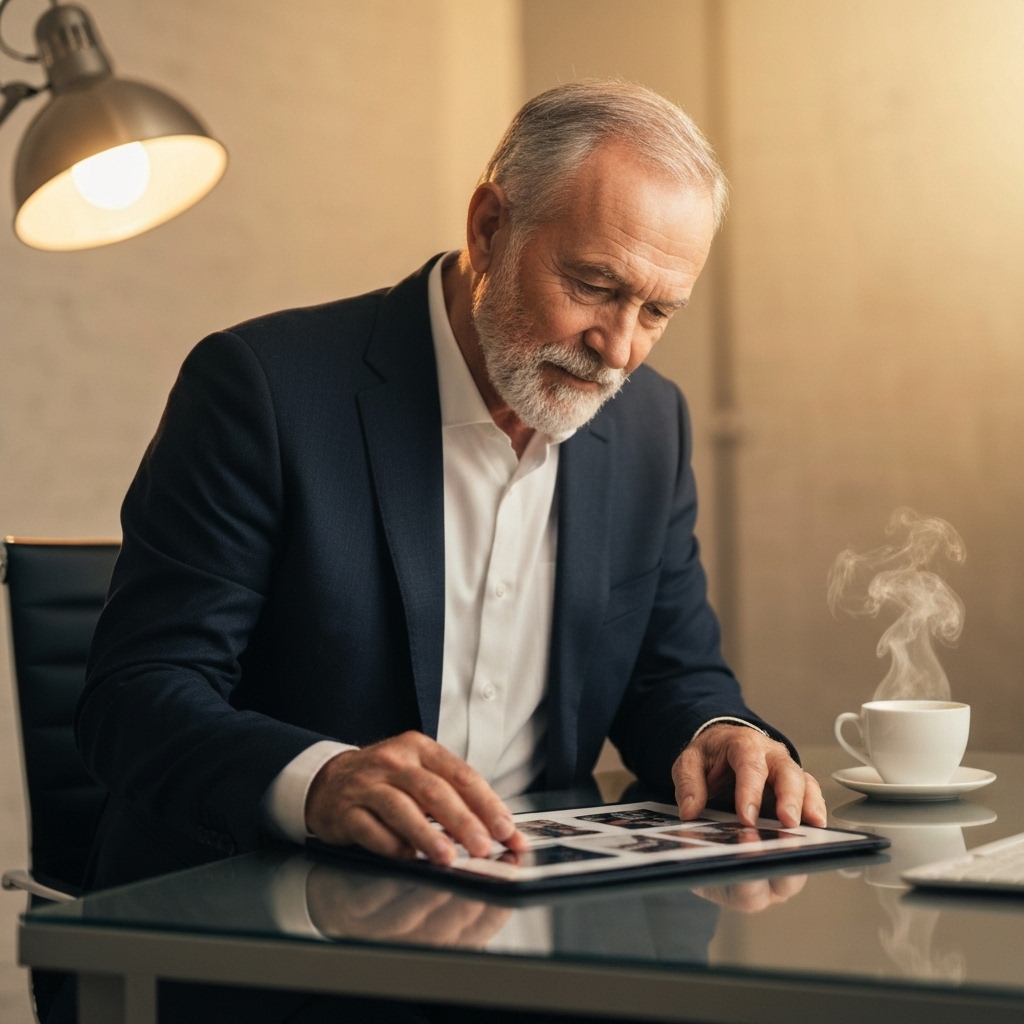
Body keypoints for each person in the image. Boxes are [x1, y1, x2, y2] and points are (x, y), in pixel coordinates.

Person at [65, 79, 826, 1023]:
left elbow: (669, 679)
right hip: (276, 949)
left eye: (657, 310)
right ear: (488, 227)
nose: (620, 349)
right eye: (593, 286)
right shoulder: (262, 389)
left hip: (543, 947)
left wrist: (726, 736)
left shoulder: (651, 428)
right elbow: (134, 700)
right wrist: (320, 780)